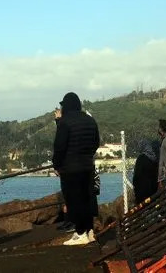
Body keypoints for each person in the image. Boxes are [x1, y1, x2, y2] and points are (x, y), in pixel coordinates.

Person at [52, 92, 100, 246]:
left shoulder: (65, 122)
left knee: (74, 200)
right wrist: (87, 155)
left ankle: (80, 233)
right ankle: (89, 231)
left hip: (70, 168)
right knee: (87, 199)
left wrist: (57, 165)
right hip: (87, 165)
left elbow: (59, 147)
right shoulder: (90, 120)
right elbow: (96, 142)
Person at [133, 139, 160, 204]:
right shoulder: (155, 158)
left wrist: (134, 183)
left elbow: (137, 173)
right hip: (153, 188)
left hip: (142, 188)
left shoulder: (141, 158)